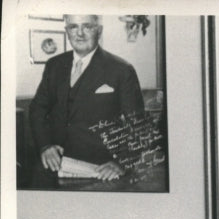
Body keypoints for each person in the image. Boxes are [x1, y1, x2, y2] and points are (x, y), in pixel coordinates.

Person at [27, 14, 145, 183]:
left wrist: (122, 163)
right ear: (67, 31)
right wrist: (45, 146)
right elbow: (37, 109)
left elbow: (138, 124)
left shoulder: (121, 70)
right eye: (73, 27)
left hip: (99, 169)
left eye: (87, 26)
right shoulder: (54, 65)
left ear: (99, 30)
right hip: (53, 165)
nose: (79, 33)